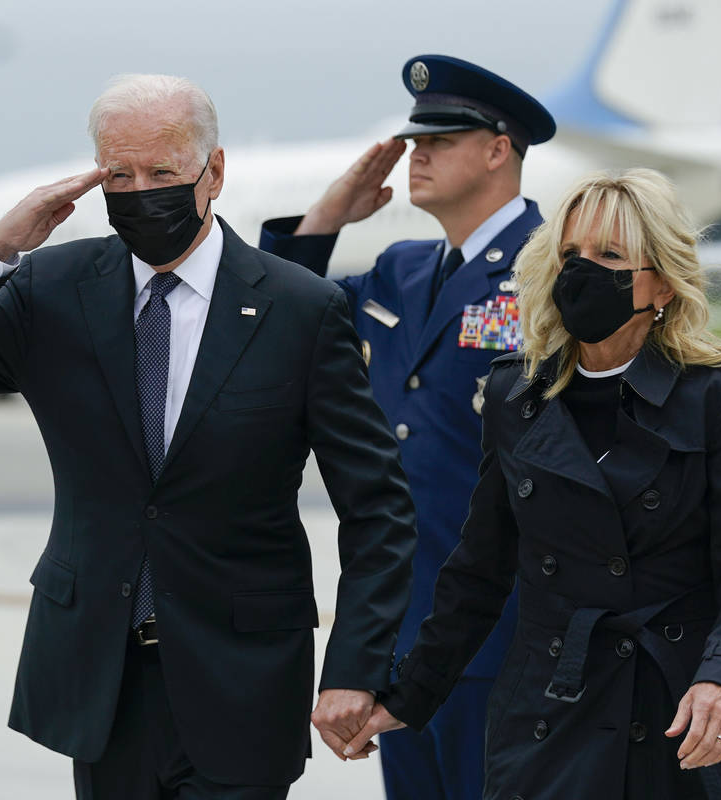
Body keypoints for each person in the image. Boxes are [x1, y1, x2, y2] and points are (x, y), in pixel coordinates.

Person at [0, 74, 416, 800]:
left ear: (213, 172)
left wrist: (354, 666)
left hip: (242, 679)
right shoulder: (52, 290)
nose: (139, 190)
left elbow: (377, 508)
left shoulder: (298, 308)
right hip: (101, 679)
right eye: (118, 174)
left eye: (161, 172)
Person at [347, 168, 721, 800]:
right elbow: (480, 571)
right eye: (569, 255)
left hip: (681, 713)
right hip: (553, 712)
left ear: (661, 283)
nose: (581, 271)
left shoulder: (717, 394)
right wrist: (410, 695)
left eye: (608, 255)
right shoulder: (516, 393)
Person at [259, 54, 555, 800]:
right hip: (407, 628)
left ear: (498, 149)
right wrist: (328, 214)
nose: (417, 155)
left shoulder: (553, 271)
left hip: (510, 632)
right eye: (415, 140)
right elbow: (273, 318)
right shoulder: (401, 269)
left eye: (441, 140)